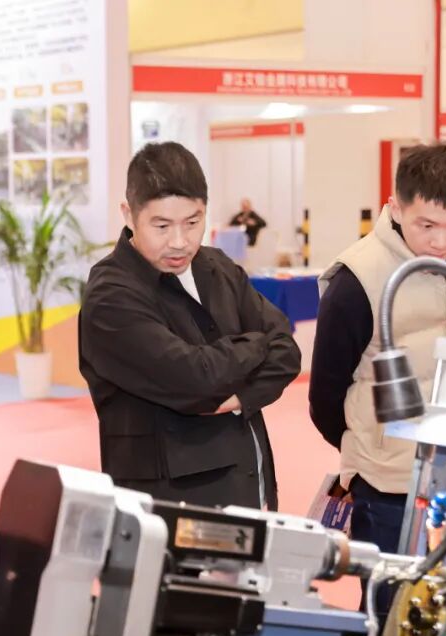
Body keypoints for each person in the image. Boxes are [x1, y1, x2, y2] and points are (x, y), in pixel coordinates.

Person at [309, 142, 446, 618]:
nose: (442, 241)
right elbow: (325, 396)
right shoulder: (357, 280)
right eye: (426, 225)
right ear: (395, 207)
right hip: (388, 484)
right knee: (390, 616)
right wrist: (372, 448)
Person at [79, 142, 301, 512]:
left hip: (250, 485)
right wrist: (257, 343)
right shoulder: (111, 296)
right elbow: (196, 379)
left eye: (193, 223)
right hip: (170, 509)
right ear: (128, 215)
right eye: (162, 226)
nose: (180, 242)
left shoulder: (216, 266)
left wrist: (241, 397)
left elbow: (287, 352)